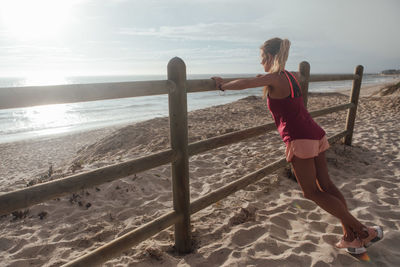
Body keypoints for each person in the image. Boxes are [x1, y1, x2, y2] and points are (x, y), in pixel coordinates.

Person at [211, 37, 383, 254]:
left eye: (262, 57)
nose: (261, 62)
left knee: (311, 192)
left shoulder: (274, 78)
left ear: (270, 57)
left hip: (300, 138)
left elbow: (245, 83)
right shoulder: (292, 76)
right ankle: (350, 236)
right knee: (327, 186)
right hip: (314, 132)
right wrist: (263, 78)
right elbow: (262, 81)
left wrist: (221, 84)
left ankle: (362, 230)